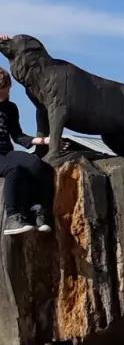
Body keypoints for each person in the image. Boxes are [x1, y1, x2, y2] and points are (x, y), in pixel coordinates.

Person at [0, 68, 53, 235]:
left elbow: (17, 135)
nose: (4, 95)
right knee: (13, 170)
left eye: (6, 91)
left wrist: (44, 140)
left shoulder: (10, 108)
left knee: (37, 165)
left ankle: (36, 210)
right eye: (1, 92)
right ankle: (12, 218)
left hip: (6, 152)